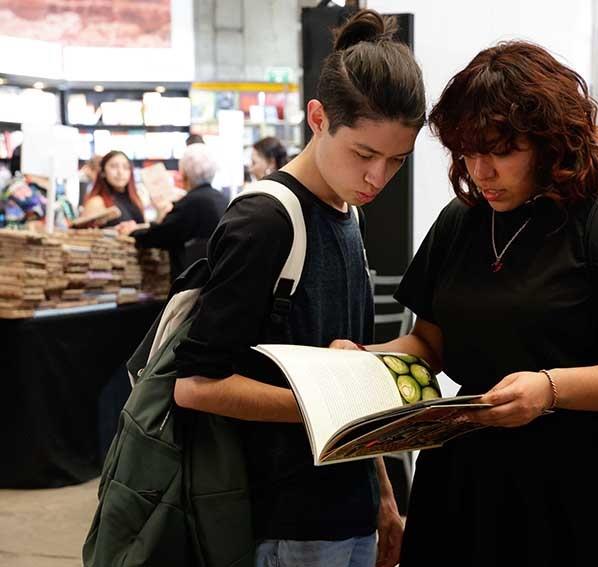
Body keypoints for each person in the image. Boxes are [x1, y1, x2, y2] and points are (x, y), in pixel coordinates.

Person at [332, 41, 598, 567]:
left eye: (501, 151)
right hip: (474, 477)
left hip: (594, 481)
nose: (480, 171)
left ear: (551, 143)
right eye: (467, 151)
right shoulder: (460, 223)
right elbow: (429, 342)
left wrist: (548, 388)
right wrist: (370, 359)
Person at [170, 10, 425, 567]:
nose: (377, 178)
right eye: (363, 154)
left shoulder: (348, 214)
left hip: (350, 509)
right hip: (286, 522)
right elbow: (195, 385)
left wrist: (384, 499)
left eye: (396, 162)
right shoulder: (265, 221)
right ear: (317, 117)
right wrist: (329, 408)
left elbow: (352, 374)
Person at [117, 143, 227, 278]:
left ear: (184, 174)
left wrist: (133, 232)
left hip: (195, 281)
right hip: (217, 275)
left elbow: (163, 234)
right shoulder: (220, 198)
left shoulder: (192, 201)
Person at [81, 150, 145, 227]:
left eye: (125, 167)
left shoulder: (135, 199)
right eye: (114, 166)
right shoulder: (96, 202)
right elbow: (85, 236)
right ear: (103, 172)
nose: (120, 172)